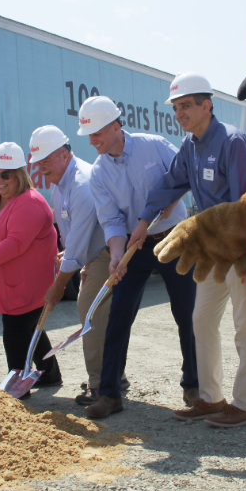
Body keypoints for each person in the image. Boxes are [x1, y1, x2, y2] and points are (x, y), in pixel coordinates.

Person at [132, 73, 246, 427]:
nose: (179, 114)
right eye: (176, 108)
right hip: (211, 252)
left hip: (241, 251)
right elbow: (169, 184)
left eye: (186, 106)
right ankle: (210, 398)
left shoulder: (233, 143)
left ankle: (244, 404)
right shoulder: (189, 146)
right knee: (201, 320)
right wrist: (144, 220)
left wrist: (243, 251)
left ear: (207, 105)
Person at [76, 95, 199, 419]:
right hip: (135, 246)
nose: (92, 141)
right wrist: (117, 256)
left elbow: (185, 173)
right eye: (89, 135)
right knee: (118, 316)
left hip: (174, 240)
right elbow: (112, 221)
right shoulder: (99, 173)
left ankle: (194, 386)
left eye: (97, 133)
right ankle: (109, 394)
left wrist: (172, 200)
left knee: (187, 314)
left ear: (116, 126)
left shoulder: (154, 146)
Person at [30, 125, 129, 405]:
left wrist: (59, 285)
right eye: (38, 163)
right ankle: (114, 376)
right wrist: (69, 255)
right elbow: (70, 232)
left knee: (90, 314)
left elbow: (78, 240)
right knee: (97, 314)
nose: (41, 168)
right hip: (91, 253)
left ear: (64, 154)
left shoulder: (82, 183)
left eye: (45, 161)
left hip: (107, 253)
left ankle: (99, 385)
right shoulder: (58, 183)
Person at [0, 142, 61, 395]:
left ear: (19, 174)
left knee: (15, 331)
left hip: (28, 282)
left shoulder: (29, 202)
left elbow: (16, 243)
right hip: (11, 280)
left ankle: (18, 387)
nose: (0, 180)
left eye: (5, 174)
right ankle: (50, 373)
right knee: (30, 327)